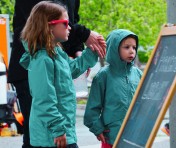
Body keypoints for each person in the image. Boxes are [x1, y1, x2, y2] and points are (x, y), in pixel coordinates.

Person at [8, 0, 105, 147]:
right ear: (49, 27)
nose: (70, 27)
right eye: (66, 23)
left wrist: (91, 52)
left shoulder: (56, 52)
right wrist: (58, 129)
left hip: (63, 133)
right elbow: (44, 99)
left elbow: (71, 69)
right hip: (51, 138)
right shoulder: (42, 60)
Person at [84, 29, 143, 148]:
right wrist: (97, 128)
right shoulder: (103, 75)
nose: (132, 51)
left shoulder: (138, 74)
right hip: (111, 136)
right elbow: (93, 107)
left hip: (135, 135)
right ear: (114, 48)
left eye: (134, 47)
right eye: (126, 47)